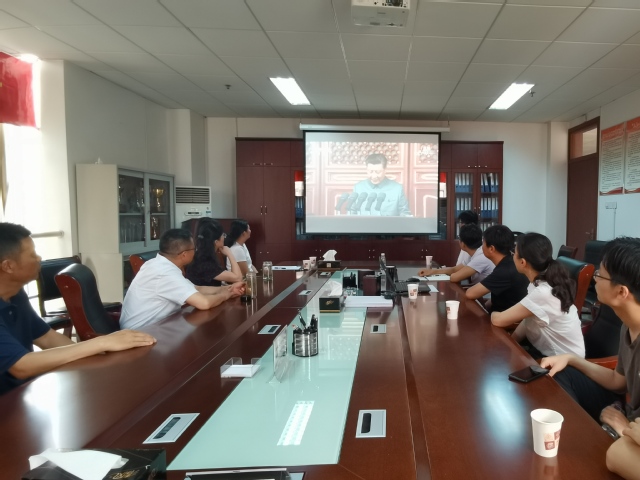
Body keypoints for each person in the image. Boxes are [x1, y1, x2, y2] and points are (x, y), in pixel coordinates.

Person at [0, 222, 156, 395]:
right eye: (32, 254)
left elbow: (46, 338)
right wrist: (101, 343)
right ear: (8, 266)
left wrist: (98, 359)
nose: (39, 258)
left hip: (20, 393)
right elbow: (21, 366)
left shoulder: (16, 294)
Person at [541, 237, 640, 438]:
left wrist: (625, 428)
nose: (595, 279)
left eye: (600, 275)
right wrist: (571, 359)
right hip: (625, 414)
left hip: (633, 434)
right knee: (562, 372)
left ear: (621, 292)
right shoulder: (627, 326)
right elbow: (617, 381)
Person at [120, 228, 245, 330]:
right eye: (193, 249)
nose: (195, 252)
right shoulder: (164, 273)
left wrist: (228, 289)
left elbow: (196, 288)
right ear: (184, 254)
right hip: (141, 333)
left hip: (158, 327)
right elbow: (204, 303)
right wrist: (227, 294)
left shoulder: (157, 264)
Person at [491, 232, 585, 358]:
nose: (512, 256)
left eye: (514, 253)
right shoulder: (538, 283)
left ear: (523, 262)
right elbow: (528, 320)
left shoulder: (543, 292)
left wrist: (492, 313)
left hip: (563, 362)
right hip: (546, 353)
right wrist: (512, 342)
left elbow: (497, 320)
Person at [465, 225, 529, 312]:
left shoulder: (504, 270)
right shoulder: (509, 262)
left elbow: (470, 293)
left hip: (504, 318)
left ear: (491, 248)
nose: (481, 247)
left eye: (483, 243)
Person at [418, 224, 494, 284]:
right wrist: (431, 271)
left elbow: (455, 277)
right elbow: (454, 269)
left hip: (486, 297)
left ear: (463, 244)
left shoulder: (481, 257)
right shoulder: (474, 253)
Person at [185, 219, 242, 286]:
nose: (224, 237)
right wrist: (230, 254)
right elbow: (237, 278)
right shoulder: (205, 262)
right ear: (216, 242)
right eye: (223, 235)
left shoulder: (202, 255)